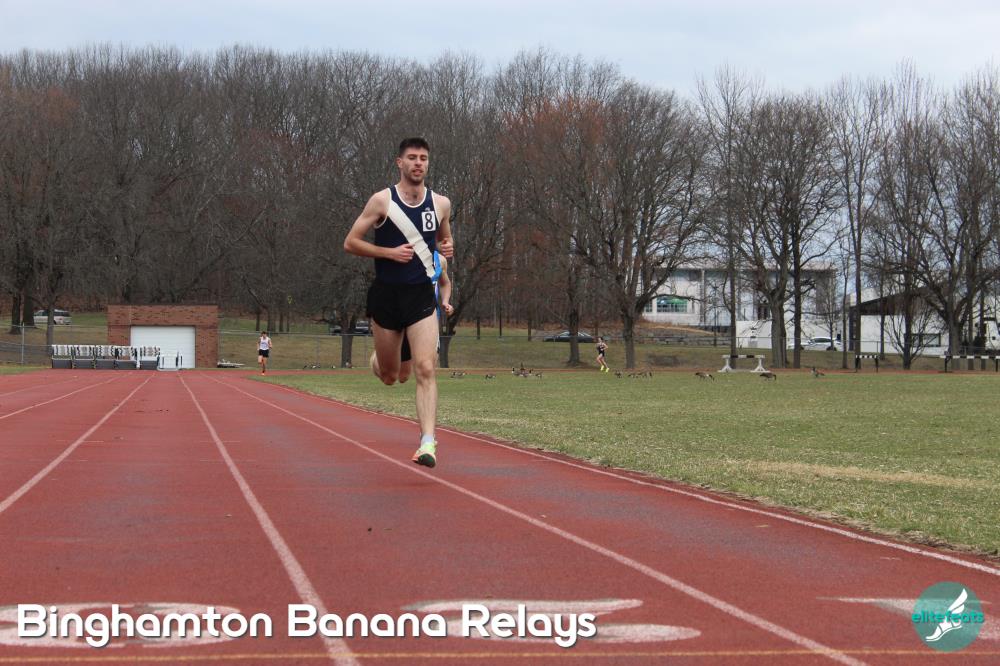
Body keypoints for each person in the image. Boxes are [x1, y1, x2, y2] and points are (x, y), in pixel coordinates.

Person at [344, 137, 454, 468]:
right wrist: (388, 253)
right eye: (412, 158)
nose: (418, 163)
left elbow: (444, 238)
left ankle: (427, 442)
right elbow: (351, 242)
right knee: (393, 376)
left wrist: (447, 247)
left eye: (423, 158)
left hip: (421, 295)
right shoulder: (382, 201)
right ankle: (380, 358)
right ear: (400, 163)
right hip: (387, 295)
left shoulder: (441, 204)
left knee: (425, 368)